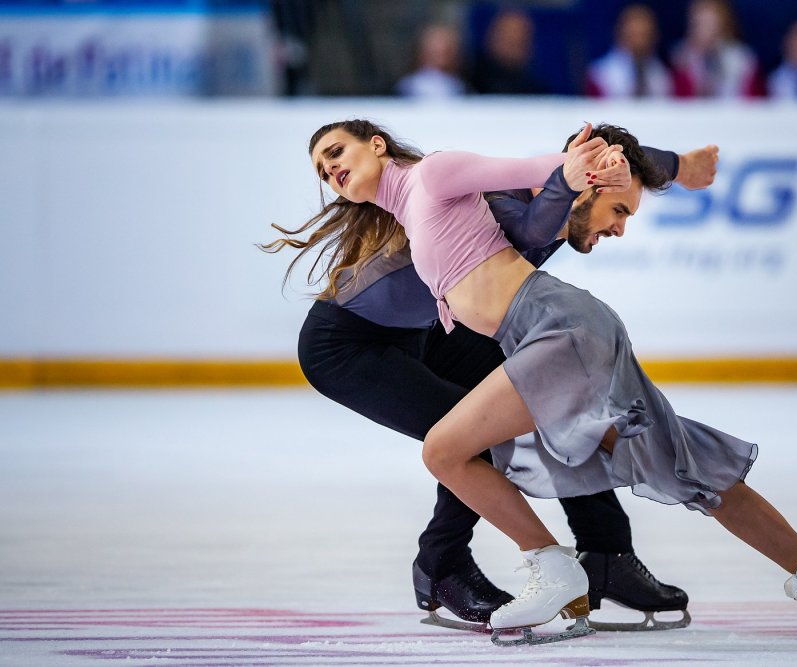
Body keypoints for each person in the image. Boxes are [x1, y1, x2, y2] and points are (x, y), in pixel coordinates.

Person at [284, 119, 797, 649]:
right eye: (619, 211)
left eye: (336, 151)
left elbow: (565, 174)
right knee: (673, 460)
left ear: (379, 145)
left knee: (450, 449)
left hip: (559, 330)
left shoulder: (452, 184)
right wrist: (672, 167)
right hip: (533, 332)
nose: (619, 229)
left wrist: (614, 169)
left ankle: (559, 570)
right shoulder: (446, 192)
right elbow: (567, 170)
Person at [267, 126, 717, 632]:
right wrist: (625, 168)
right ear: (582, 176)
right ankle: (442, 566)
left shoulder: (570, 191)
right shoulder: (509, 200)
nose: (617, 226)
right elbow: (548, 200)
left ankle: (607, 551)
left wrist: (679, 165)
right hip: (348, 345)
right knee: (473, 441)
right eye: (617, 206)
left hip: (433, 326)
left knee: (563, 403)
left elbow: (624, 156)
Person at [670, 0, 765, 98]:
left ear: (723, 23)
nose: (706, 30)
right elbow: (677, 100)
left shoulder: (743, 58)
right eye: (700, 23)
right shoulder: (681, 57)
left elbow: (755, 102)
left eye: (710, 23)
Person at [585, 4, 675, 98]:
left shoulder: (665, 76)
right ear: (619, 33)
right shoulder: (600, 76)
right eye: (633, 34)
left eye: (644, 35)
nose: (638, 42)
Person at [471, 9, 548, 95]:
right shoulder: (470, 81)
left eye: (520, 40)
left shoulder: (536, 90)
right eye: (508, 38)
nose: (513, 44)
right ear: (491, 37)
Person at [395, 23, 468, 98]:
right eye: (435, 50)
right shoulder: (407, 86)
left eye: (445, 50)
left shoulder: (460, 87)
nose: (440, 51)